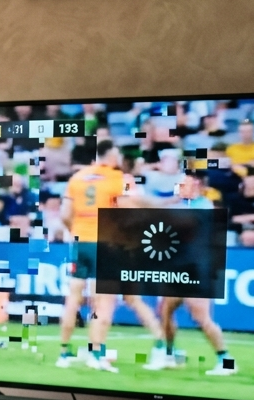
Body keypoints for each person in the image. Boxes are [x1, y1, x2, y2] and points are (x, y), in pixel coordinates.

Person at [56, 140, 168, 372]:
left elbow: (65, 214)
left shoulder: (77, 178)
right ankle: (99, 353)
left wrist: (76, 233)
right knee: (109, 301)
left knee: (74, 297)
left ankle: (64, 353)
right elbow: (129, 209)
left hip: (81, 243)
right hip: (110, 244)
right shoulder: (119, 179)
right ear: (111, 156)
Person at [143, 174, 236, 375]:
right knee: (165, 311)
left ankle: (226, 361)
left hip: (196, 268)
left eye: (183, 184)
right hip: (177, 267)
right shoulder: (180, 205)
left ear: (196, 185)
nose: (179, 187)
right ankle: (169, 354)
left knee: (201, 318)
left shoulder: (204, 206)